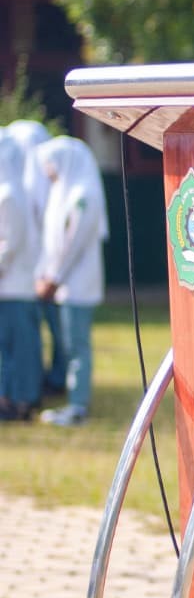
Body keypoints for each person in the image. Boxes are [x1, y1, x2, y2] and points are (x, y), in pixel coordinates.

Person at [33, 137, 109, 426]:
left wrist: (53, 278)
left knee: (77, 347)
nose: (47, 171)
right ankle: (72, 399)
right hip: (63, 284)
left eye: (50, 164)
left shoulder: (82, 195)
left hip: (77, 285)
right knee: (68, 345)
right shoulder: (63, 192)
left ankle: (78, 407)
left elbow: (72, 244)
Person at [6, 118, 66, 395]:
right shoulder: (19, 183)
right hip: (27, 271)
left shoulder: (43, 185)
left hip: (43, 271)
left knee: (45, 330)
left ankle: (52, 380)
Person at [0, 134, 43, 421]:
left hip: (13, 286)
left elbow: (9, 243)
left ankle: (19, 402)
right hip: (11, 286)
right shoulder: (14, 191)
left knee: (17, 350)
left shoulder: (9, 194)